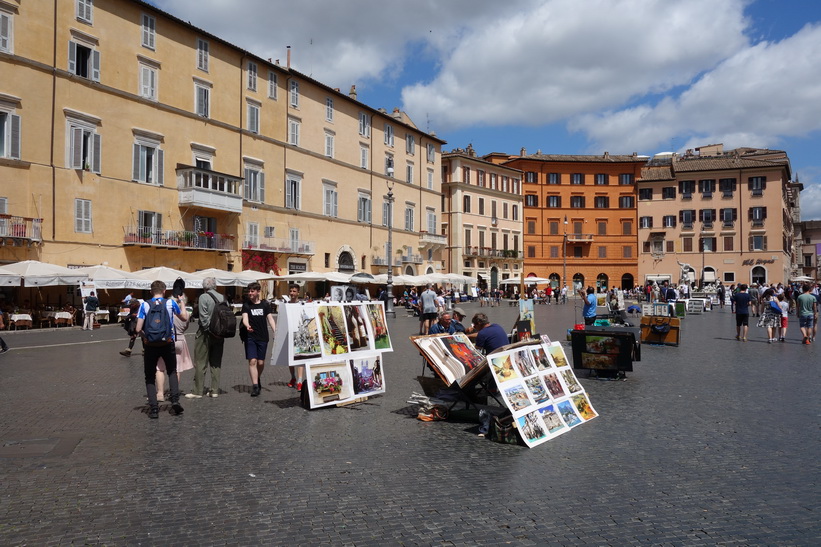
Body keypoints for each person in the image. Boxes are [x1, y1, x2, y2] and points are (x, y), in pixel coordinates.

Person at [135, 280, 189, 419]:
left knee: (149, 376)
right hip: (167, 343)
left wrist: (146, 338)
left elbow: (138, 328)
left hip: (150, 345)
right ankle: (175, 401)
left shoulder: (145, 305)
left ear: (151, 291)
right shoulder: (170, 303)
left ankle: (154, 408)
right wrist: (181, 302)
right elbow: (184, 318)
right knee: (172, 371)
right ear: (164, 291)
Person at [186, 277, 226, 399]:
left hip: (205, 334)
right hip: (220, 334)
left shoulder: (203, 297)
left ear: (204, 286)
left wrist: (209, 330)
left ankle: (197, 391)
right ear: (215, 286)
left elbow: (203, 318)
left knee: (200, 362)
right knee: (216, 363)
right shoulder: (223, 297)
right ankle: (214, 390)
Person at [242, 282, 276, 397]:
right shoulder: (246, 305)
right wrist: (247, 326)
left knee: (261, 363)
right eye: (249, 291)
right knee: (252, 361)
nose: (250, 293)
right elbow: (244, 318)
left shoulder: (265, 305)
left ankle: (257, 377)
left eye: (252, 291)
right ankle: (255, 386)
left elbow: (270, 319)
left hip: (263, 337)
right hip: (250, 337)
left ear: (258, 292)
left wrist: (275, 331)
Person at [157, 296, 194, 400]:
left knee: (160, 368)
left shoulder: (167, 312)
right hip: (180, 340)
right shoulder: (186, 314)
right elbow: (185, 326)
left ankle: (160, 393)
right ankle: (174, 391)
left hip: (167, 340)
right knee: (176, 368)